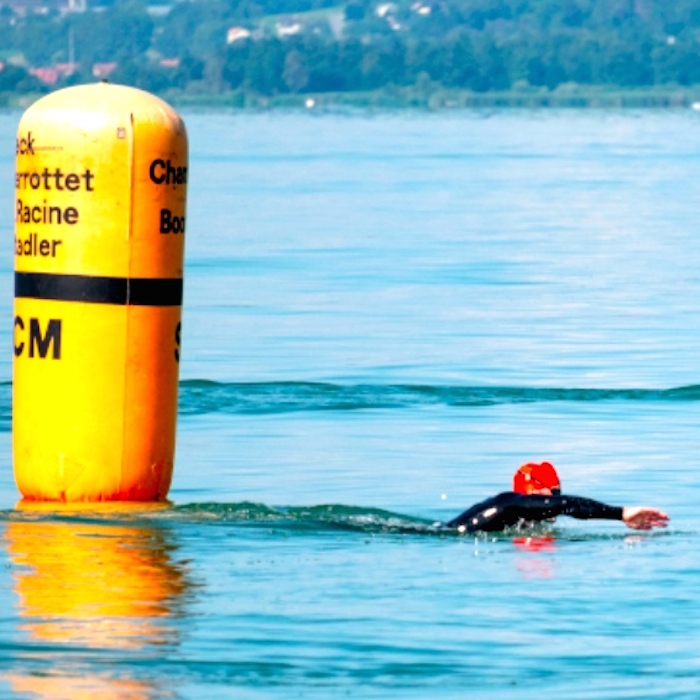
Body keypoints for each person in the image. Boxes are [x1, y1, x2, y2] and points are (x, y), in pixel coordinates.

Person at [446, 461, 670, 534]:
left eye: (557, 493)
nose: (555, 500)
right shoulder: (510, 503)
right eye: (552, 494)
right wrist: (621, 514)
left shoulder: (512, 518)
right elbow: (567, 505)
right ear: (533, 492)